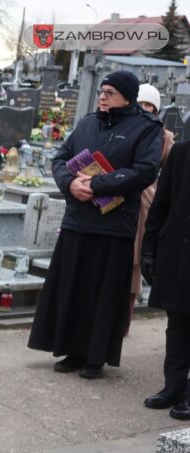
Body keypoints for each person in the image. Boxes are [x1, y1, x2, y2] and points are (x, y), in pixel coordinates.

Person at [28, 71, 161, 379]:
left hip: (113, 224)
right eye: (102, 91)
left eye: (110, 92)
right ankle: (71, 350)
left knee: (102, 294)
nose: (102, 96)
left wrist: (98, 185)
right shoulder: (88, 123)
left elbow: (144, 170)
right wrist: (70, 184)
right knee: (73, 288)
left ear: (127, 97)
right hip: (78, 219)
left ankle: (94, 357)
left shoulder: (146, 128)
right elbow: (61, 159)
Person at [141, 141, 190, 420]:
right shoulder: (182, 152)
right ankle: (173, 386)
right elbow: (161, 204)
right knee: (177, 322)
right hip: (179, 251)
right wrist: (149, 249)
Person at [128, 83, 174, 333]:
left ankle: (124, 320)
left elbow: (173, 170)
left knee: (134, 263)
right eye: (141, 104)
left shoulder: (164, 137)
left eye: (150, 106)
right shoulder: (125, 129)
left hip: (146, 201)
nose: (145, 109)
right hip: (119, 198)